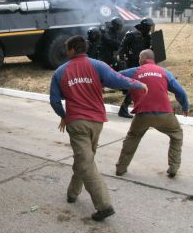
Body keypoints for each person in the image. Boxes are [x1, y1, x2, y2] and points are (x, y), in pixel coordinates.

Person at [49, 35, 148, 222]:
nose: (65, 51)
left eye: (67, 48)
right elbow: (117, 79)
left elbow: (54, 100)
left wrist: (63, 115)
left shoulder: (60, 72)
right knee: (85, 159)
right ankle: (72, 193)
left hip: (77, 123)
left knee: (85, 161)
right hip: (97, 122)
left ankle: (104, 206)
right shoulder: (98, 65)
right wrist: (138, 84)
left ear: (72, 50)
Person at [115, 49, 189, 179]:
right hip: (164, 114)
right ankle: (173, 168)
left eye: (139, 58)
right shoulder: (164, 72)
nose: (138, 60)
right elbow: (180, 92)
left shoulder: (134, 71)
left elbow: (115, 77)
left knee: (132, 138)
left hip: (142, 114)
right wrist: (185, 107)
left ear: (143, 59)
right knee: (177, 135)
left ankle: (121, 168)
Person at [117, 18, 155, 118]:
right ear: (144, 27)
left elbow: (149, 50)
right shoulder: (131, 35)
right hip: (132, 63)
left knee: (144, 85)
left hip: (143, 64)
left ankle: (143, 107)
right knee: (134, 86)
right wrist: (122, 62)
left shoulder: (148, 37)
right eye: (148, 27)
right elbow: (121, 49)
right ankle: (124, 108)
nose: (149, 29)